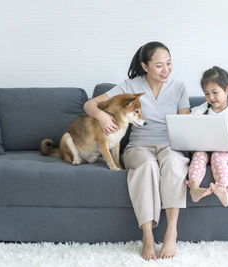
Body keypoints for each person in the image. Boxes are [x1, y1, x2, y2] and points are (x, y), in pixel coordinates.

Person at [84, 41, 190, 260]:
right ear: (145, 66)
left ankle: (171, 232)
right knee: (148, 165)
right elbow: (89, 105)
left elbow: (186, 123)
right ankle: (148, 236)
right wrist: (101, 115)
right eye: (159, 65)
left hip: (170, 145)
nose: (166, 70)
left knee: (172, 162)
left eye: (169, 64)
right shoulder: (129, 86)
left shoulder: (179, 87)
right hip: (138, 146)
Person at [187, 66, 228, 207]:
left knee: (217, 155)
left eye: (215, 92)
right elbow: (188, 130)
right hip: (204, 150)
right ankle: (194, 189)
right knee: (198, 155)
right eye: (206, 93)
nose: (211, 97)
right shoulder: (199, 111)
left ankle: (223, 189)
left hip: (225, 152)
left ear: (227, 90)